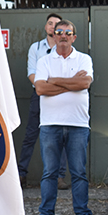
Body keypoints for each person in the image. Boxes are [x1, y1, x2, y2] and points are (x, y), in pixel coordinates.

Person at [31, 20, 99, 215]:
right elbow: (40, 88)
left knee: (79, 172)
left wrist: (54, 81)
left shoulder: (84, 59)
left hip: (78, 124)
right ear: (54, 35)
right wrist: (70, 82)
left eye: (67, 32)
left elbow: (85, 83)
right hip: (50, 124)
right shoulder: (44, 60)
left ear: (74, 37)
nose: (63, 35)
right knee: (50, 172)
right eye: (59, 32)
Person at [18, 13, 69, 189]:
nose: (52, 26)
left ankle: (59, 177)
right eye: (50, 23)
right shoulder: (36, 48)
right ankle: (21, 174)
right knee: (31, 135)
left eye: (56, 24)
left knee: (60, 135)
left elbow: (65, 76)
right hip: (39, 95)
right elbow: (31, 72)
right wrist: (44, 87)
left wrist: (51, 85)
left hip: (59, 97)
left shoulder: (64, 48)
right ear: (46, 27)